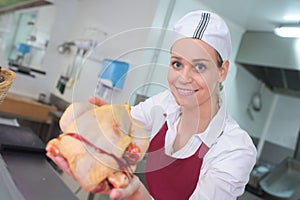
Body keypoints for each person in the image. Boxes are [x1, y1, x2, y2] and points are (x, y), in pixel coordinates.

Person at [47, 10, 257, 200]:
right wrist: (107, 122)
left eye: (199, 66)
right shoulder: (165, 103)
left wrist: (136, 193)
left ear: (222, 71)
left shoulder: (235, 148)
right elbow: (124, 126)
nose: (183, 78)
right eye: (177, 63)